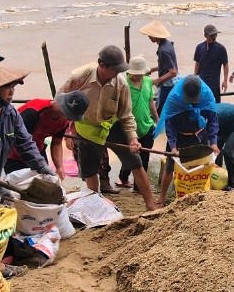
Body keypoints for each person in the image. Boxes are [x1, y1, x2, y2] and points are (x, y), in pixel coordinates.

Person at [61, 45, 160, 211]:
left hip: (111, 125)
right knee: (90, 171)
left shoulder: (121, 84)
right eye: (114, 70)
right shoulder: (79, 77)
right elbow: (63, 102)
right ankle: (94, 207)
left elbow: (126, 115)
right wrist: (66, 131)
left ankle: (150, 203)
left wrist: (133, 139)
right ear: (101, 65)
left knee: (135, 162)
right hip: (87, 128)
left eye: (119, 70)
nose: (117, 74)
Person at [0, 64, 55, 184]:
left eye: (13, 87)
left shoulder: (10, 112)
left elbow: (25, 143)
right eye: (7, 87)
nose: (12, 91)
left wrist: (41, 166)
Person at [156, 76, 219, 200]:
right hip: (179, 135)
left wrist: (213, 142)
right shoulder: (174, 97)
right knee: (170, 166)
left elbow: (213, 120)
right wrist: (173, 147)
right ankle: (161, 198)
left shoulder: (207, 95)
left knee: (200, 166)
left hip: (199, 135)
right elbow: (170, 125)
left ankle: (197, 196)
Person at [118, 55, 159, 187]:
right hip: (130, 129)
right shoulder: (124, 85)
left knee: (144, 157)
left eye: (141, 74)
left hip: (147, 125)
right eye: (137, 74)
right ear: (130, 73)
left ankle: (139, 186)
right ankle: (123, 178)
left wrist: (157, 119)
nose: (139, 77)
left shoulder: (147, 81)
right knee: (129, 158)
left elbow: (151, 102)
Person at [13, 95, 70, 175]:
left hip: (37, 151)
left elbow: (57, 142)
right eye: (69, 115)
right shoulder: (33, 112)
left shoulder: (64, 121)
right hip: (14, 154)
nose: (69, 119)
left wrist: (59, 167)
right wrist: (39, 165)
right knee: (19, 184)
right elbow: (21, 142)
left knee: (46, 181)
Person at [140, 19, 178, 115]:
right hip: (172, 82)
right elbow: (167, 64)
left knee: (161, 110)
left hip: (168, 84)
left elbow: (173, 72)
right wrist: (152, 70)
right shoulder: (168, 44)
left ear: (156, 36)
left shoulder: (163, 51)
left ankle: (161, 128)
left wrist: (157, 81)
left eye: (150, 35)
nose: (149, 37)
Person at [194, 24, 229, 100]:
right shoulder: (199, 47)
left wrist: (225, 81)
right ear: (205, 35)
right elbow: (197, 63)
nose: (214, 37)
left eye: (215, 35)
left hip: (214, 84)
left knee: (215, 106)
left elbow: (225, 65)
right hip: (201, 83)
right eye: (211, 35)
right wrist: (195, 78)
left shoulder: (221, 49)